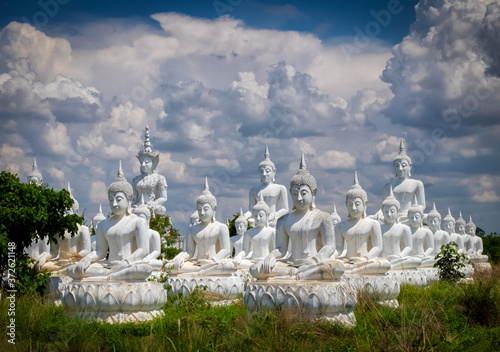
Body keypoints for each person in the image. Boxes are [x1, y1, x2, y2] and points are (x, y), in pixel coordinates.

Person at [250, 154, 345, 281]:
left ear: (313, 193)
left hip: (314, 264)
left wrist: (313, 260)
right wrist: (271, 256)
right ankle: (297, 274)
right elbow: (281, 250)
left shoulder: (323, 217)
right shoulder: (283, 221)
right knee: (255, 268)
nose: (299, 198)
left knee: (337, 268)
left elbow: (329, 247)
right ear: (290, 193)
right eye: (295, 193)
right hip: (291, 264)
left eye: (303, 193)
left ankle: (301, 275)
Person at [67, 162, 152, 280]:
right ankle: (112, 276)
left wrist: (127, 262)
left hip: (128, 265)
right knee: (72, 269)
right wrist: (87, 259)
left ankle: (110, 277)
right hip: (108, 265)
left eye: (119, 199)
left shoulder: (138, 222)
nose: (114, 204)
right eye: (111, 200)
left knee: (144, 269)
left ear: (129, 199)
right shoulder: (103, 224)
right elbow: (100, 251)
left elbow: (143, 250)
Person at [170, 179, 234, 275]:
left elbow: (226, 250)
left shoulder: (221, 227)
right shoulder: (191, 230)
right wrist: (180, 257)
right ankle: (202, 272)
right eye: (199, 209)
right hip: (197, 263)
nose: (202, 212)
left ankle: (201, 272)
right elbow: (189, 252)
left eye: (206, 209)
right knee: (170, 266)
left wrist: (213, 260)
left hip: (213, 263)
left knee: (228, 266)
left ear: (214, 209)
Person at [335, 172, 391, 275]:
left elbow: (378, 247)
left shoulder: (373, 224)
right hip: (348, 261)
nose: (354, 208)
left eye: (357, 204)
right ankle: (352, 270)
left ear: (365, 204)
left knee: (385, 264)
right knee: (332, 265)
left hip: (366, 261)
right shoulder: (340, 226)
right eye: (350, 204)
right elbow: (338, 249)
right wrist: (329, 257)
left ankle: (352, 271)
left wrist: (365, 258)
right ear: (346, 205)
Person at [35, 182, 91, 274]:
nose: (64, 213)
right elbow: (53, 252)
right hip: (60, 262)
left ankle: (63, 271)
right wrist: (44, 257)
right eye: (62, 210)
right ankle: (60, 270)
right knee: (40, 267)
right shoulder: (56, 231)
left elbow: (86, 251)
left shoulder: (82, 229)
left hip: (75, 261)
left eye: (67, 210)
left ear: (74, 211)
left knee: (77, 269)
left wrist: (72, 257)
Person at [381, 139, 426, 223]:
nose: (400, 169)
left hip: (410, 216)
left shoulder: (417, 184)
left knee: (427, 218)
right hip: (393, 215)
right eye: (397, 166)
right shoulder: (388, 185)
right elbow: (385, 206)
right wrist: (381, 212)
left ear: (410, 166)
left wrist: (412, 212)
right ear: (394, 167)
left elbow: (422, 205)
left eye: (403, 165)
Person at [380, 186, 421, 270]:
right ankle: (387, 266)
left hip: (398, 258)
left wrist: (399, 256)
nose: (389, 214)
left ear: (398, 211)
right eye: (386, 212)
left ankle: (389, 267)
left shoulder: (404, 228)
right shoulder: (379, 228)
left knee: (417, 261)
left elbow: (409, 247)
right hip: (383, 259)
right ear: (382, 213)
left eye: (392, 211)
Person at [247, 146, 289, 227]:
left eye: (267, 171)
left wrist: (272, 216)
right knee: (248, 223)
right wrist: (243, 217)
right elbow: (251, 210)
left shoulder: (280, 188)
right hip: (258, 220)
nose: (264, 174)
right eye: (262, 171)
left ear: (274, 172)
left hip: (273, 219)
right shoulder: (254, 190)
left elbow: (285, 209)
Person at [132, 126, 168, 215]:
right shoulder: (136, 180)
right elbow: (134, 198)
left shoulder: (159, 178)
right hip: (138, 206)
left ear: (153, 163)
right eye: (141, 162)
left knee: (161, 209)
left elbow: (163, 197)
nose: (143, 164)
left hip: (153, 206)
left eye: (147, 162)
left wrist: (152, 204)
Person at [234, 196, 276, 269]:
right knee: (231, 264)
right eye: (255, 216)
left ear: (267, 216)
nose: (258, 218)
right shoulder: (248, 233)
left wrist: (271, 259)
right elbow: (245, 251)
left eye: (261, 215)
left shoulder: (272, 231)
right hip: (252, 261)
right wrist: (239, 256)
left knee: (270, 266)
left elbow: (276, 250)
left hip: (266, 261)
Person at [133, 197, 163, 271]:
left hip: (148, 260)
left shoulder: (153, 234)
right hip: (134, 260)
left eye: (141, 218)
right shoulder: (131, 234)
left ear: (148, 219)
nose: (138, 221)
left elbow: (157, 251)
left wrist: (146, 259)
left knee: (158, 264)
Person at [408, 201, 435, 267]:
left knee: (433, 260)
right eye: (411, 217)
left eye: (416, 217)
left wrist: (424, 255)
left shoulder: (427, 231)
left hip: (422, 257)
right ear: (408, 218)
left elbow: (431, 248)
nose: (414, 220)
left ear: (422, 217)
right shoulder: (407, 230)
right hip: (410, 258)